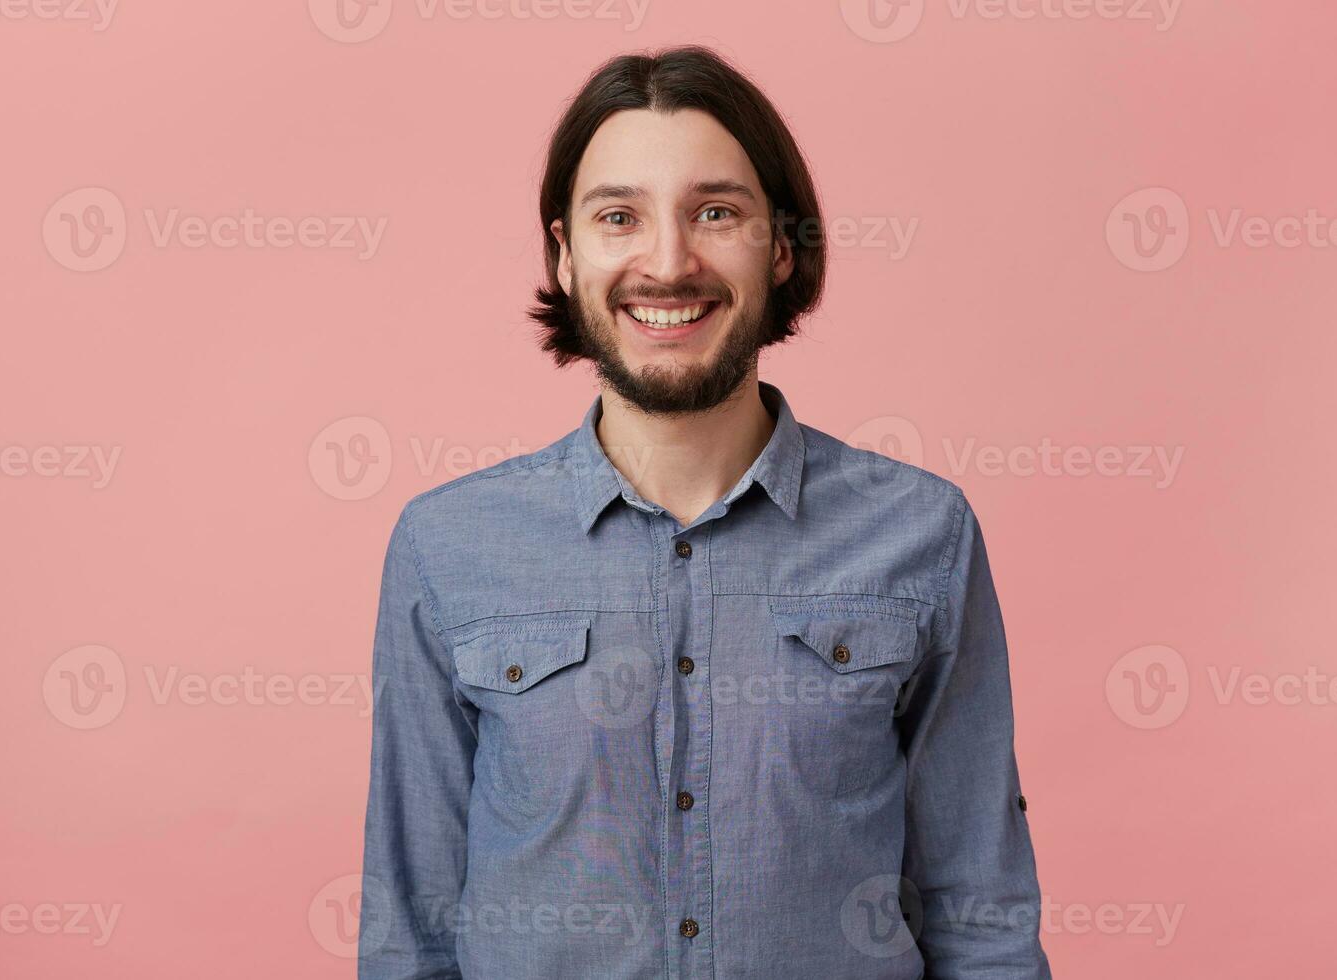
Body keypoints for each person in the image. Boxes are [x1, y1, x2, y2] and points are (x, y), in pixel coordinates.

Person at [359, 44, 1052, 980]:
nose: (669, 262)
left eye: (715, 212)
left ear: (780, 247)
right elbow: (412, 931)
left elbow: (982, 924)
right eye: (619, 218)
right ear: (564, 256)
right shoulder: (447, 548)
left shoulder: (921, 536)